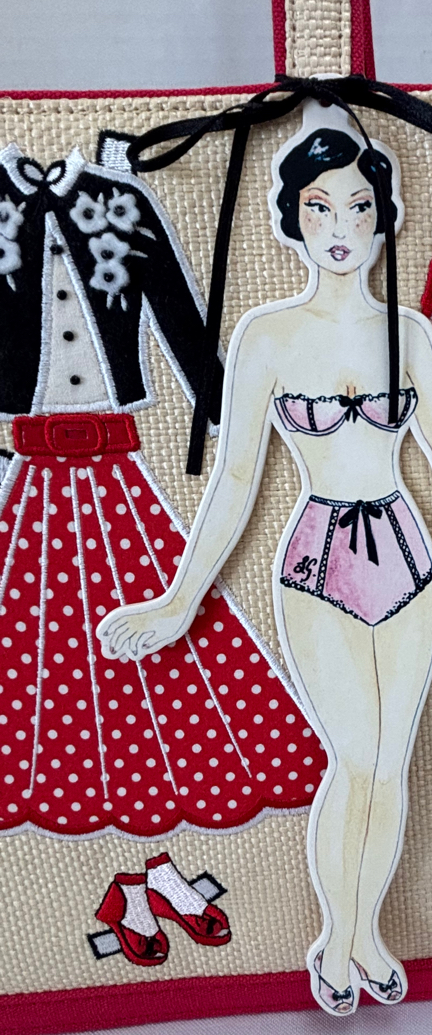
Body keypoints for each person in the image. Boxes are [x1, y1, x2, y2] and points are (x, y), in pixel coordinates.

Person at [98, 103, 432, 1015]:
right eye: (321, 207)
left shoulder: (410, 334)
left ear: (384, 219)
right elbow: (236, 478)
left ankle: (363, 934)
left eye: (360, 207)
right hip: (316, 563)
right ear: (294, 218)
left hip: (408, 559)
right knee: (354, 759)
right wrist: (180, 598)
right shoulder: (267, 338)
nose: (341, 227)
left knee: (389, 762)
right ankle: (339, 937)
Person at [0, 139, 323, 845]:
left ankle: (173, 771)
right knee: (30, 624)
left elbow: (178, 310)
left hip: (116, 467)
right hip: (29, 469)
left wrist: (227, 414)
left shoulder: (119, 201)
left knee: (152, 606)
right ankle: (44, 777)